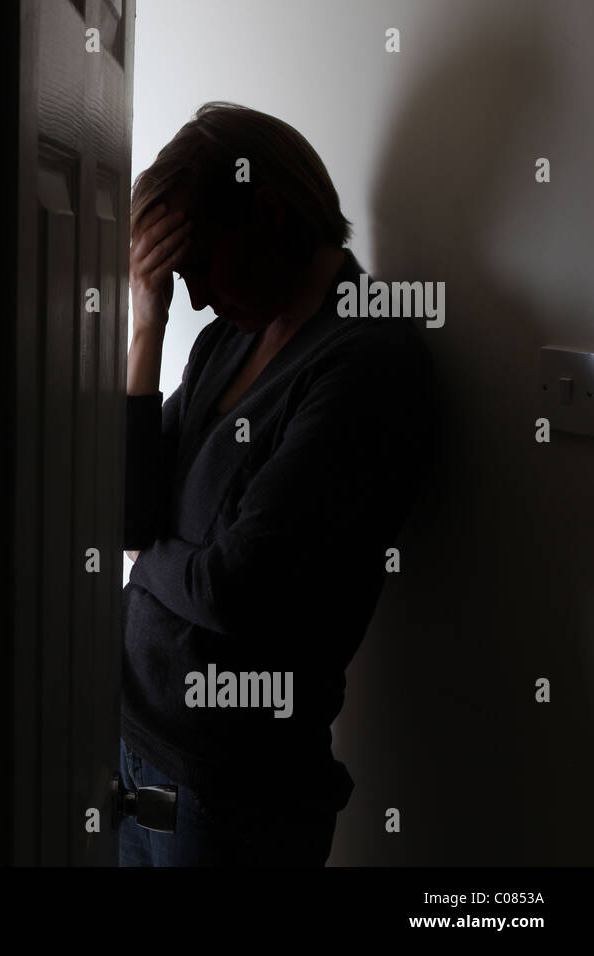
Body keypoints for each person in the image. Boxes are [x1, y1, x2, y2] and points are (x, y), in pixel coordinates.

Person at [119, 102, 437, 866]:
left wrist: (153, 553)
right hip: (135, 755)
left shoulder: (366, 359)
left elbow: (240, 591)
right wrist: (146, 329)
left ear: (265, 214)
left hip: (232, 799)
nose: (190, 297)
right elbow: (127, 519)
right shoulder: (227, 339)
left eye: (196, 267)